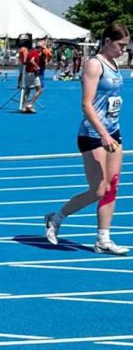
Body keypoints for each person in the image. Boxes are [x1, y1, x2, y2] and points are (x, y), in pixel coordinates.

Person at [44, 23, 130, 255]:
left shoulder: (113, 64)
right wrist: (102, 133)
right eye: (120, 45)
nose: (124, 50)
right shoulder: (94, 64)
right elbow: (87, 104)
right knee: (98, 190)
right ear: (107, 42)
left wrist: (110, 132)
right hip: (93, 134)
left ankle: (103, 238)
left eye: (126, 46)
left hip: (113, 131)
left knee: (112, 186)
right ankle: (56, 217)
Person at [21, 42, 43, 113]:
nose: (42, 50)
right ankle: (30, 104)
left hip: (27, 73)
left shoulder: (30, 52)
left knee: (27, 90)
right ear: (39, 48)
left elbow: (25, 61)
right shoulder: (35, 53)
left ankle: (23, 106)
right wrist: (37, 67)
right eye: (41, 49)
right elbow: (31, 60)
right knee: (39, 90)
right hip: (33, 73)